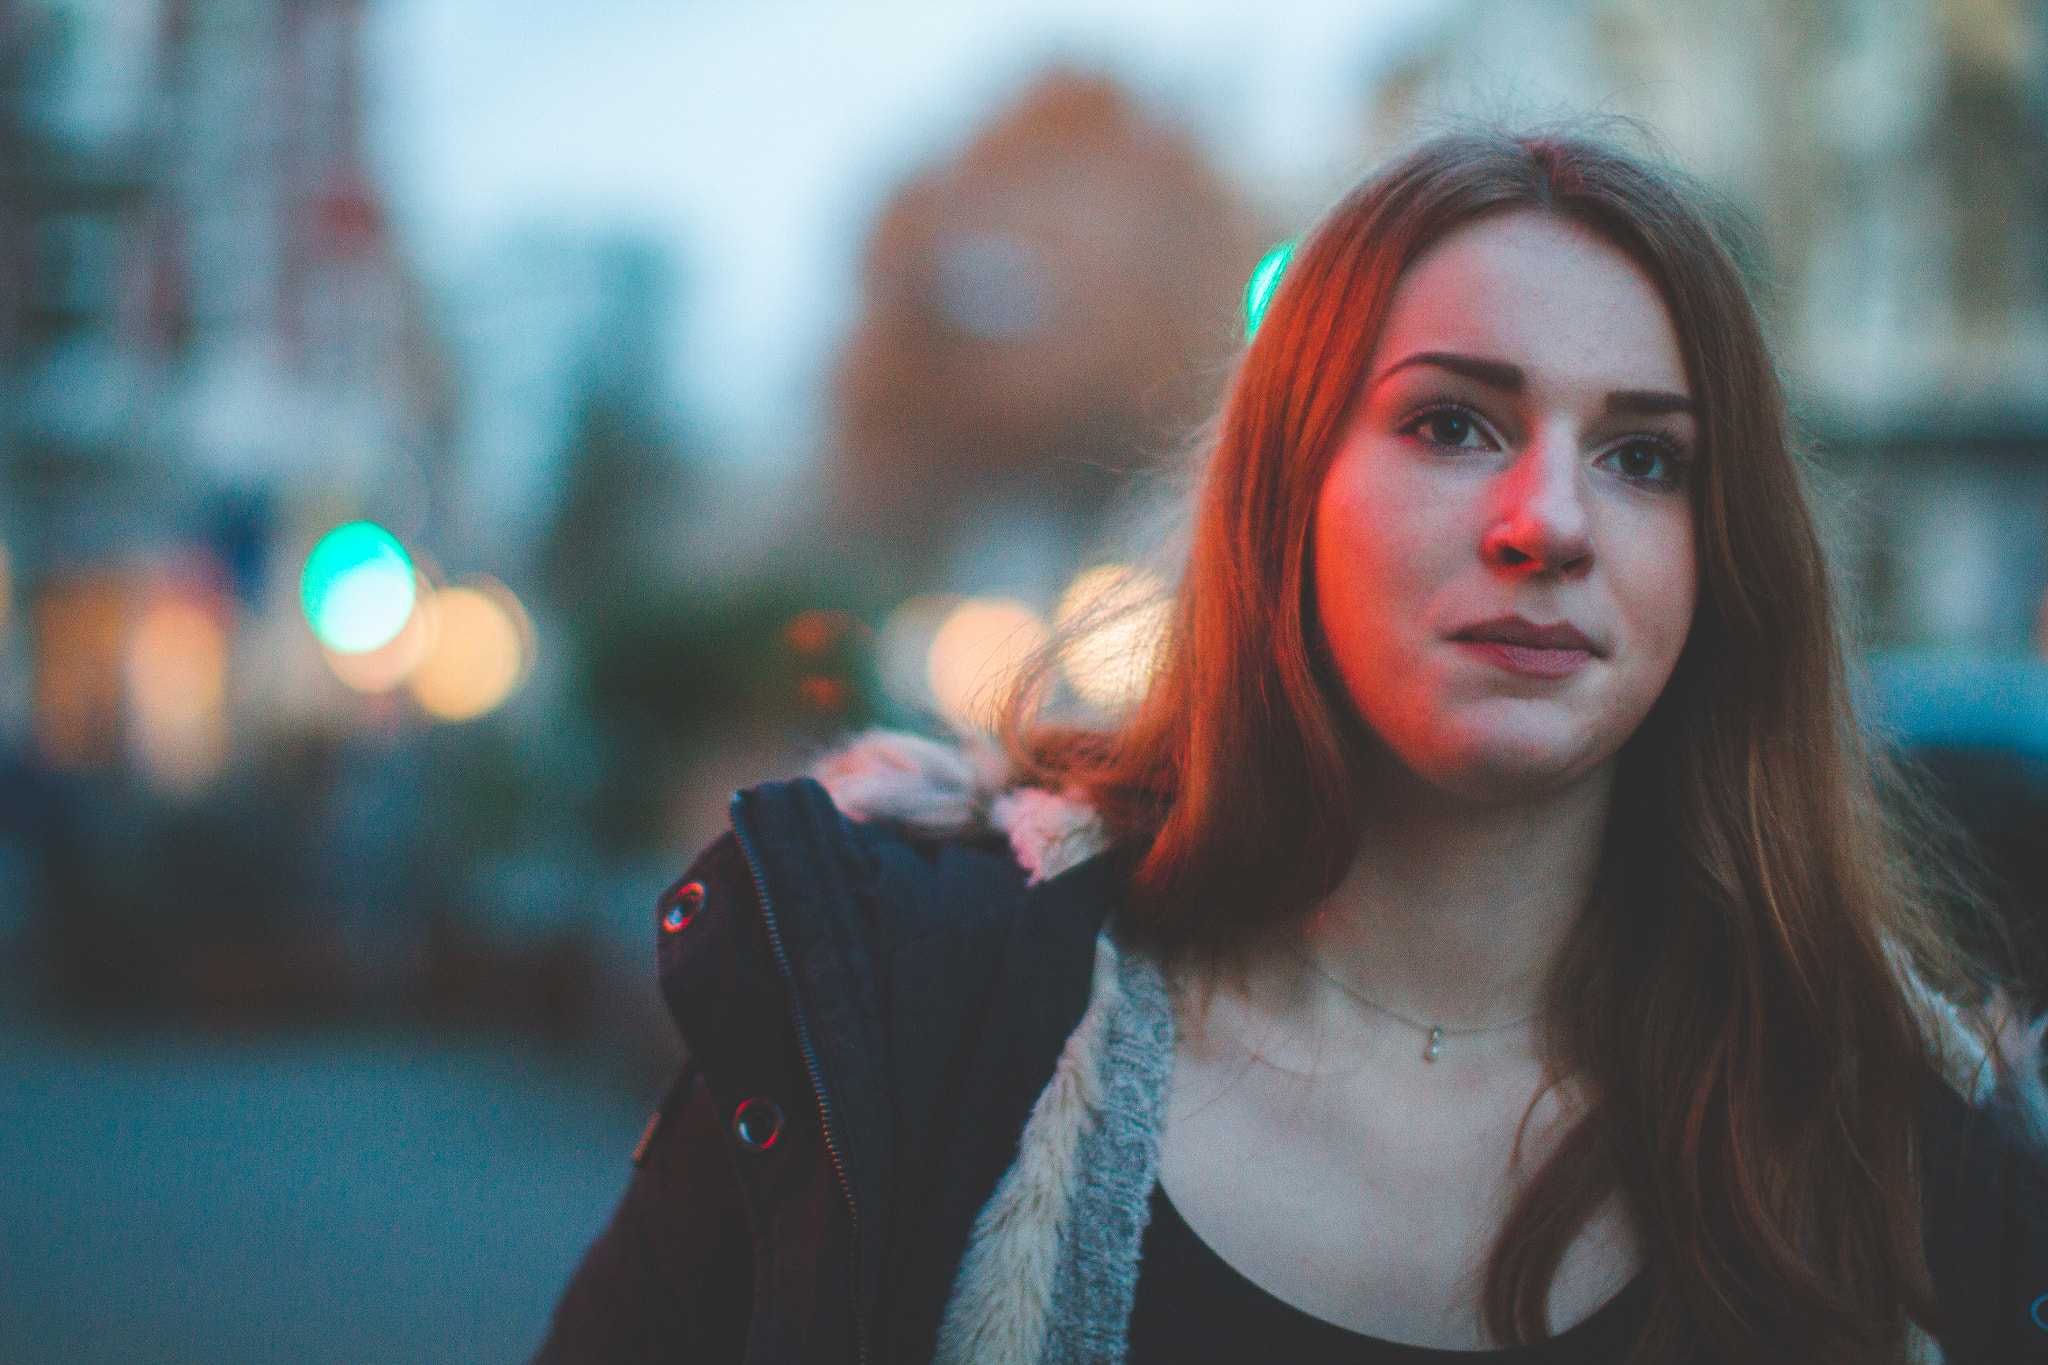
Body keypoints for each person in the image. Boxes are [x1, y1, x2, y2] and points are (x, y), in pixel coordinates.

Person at [533, 129, 2048, 1364]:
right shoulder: (910, 1004)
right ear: (1287, 491)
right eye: (1455, 424)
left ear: (1725, 560)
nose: (1550, 522)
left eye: (1646, 457)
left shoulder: (1913, 1151)